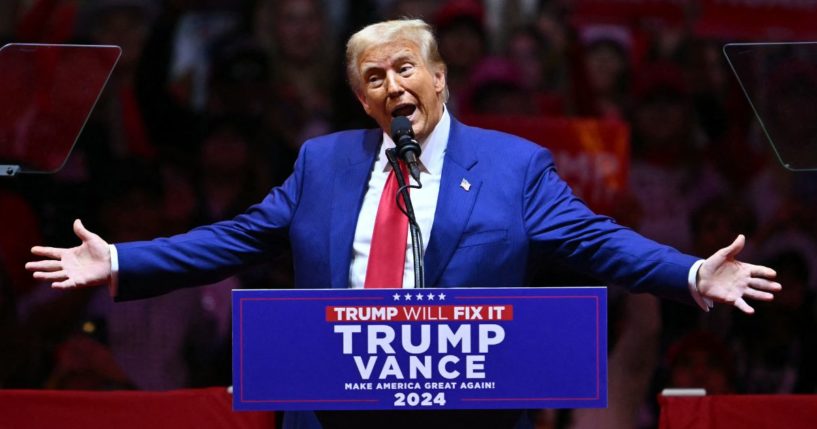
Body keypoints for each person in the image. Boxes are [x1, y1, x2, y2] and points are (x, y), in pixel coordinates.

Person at [27, 19, 780, 429]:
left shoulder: (513, 166)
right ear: (362, 100)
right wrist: (121, 260)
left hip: (470, 412)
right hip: (333, 407)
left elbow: (595, 238)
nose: (392, 85)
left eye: (404, 68)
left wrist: (689, 272)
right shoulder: (321, 163)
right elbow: (235, 236)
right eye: (373, 78)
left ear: (439, 78)